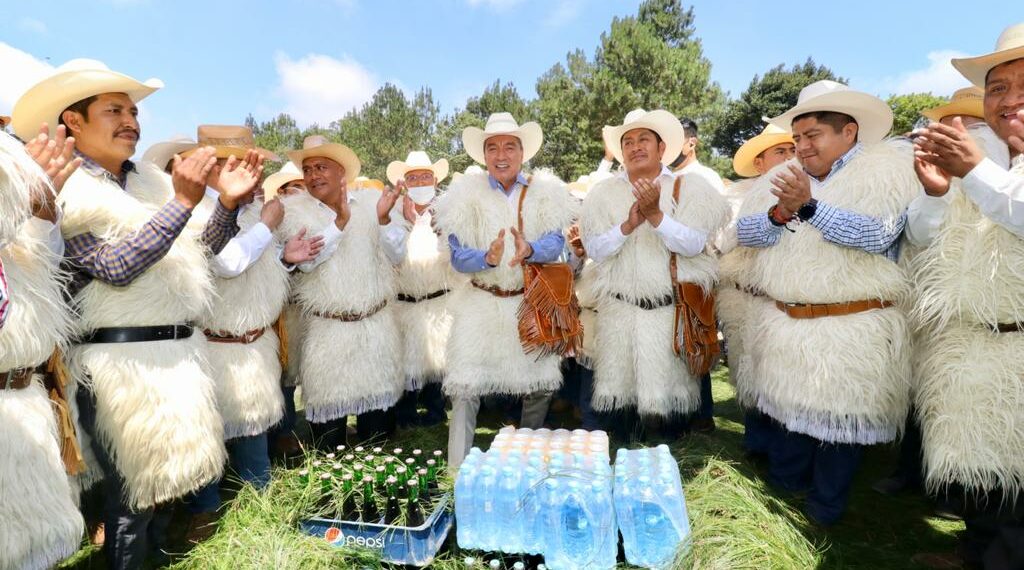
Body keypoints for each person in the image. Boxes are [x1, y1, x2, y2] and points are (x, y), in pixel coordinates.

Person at [13, 58, 260, 569]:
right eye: (114, 110)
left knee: (161, 491)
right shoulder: (60, 190)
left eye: (132, 110)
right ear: (72, 122)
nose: (132, 120)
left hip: (174, 359)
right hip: (117, 367)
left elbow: (200, 252)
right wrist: (185, 202)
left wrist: (228, 207)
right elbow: (114, 267)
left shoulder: (151, 181)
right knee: (129, 503)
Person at [735, 80, 918, 526]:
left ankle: (822, 517)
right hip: (788, 327)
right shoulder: (777, 181)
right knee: (787, 423)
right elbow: (747, 235)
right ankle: (779, 511)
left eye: (812, 135)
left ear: (848, 132)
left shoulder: (886, 173)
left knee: (839, 431)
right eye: (796, 138)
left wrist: (810, 207)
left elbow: (878, 236)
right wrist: (781, 212)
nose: (801, 146)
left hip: (851, 330)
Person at [908, 22, 1024, 567]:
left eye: (1023, 84)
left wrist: (974, 173)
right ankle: (975, 553)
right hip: (972, 345)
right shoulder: (982, 157)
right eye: (997, 88)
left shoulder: (978, 164)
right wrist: (935, 194)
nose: (1008, 100)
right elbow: (924, 240)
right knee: (984, 466)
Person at [184, 125, 321, 541]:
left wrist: (286, 258)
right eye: (234, 164)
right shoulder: (194, 212)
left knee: (253, 426)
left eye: (252, 164)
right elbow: (225, 264)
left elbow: (256, 275)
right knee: (207, 433)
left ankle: (259, 505)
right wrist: (266, 227)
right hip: (212, 345)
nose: (248, 173)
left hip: (255, 343)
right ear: (211, 171)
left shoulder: (255, 214)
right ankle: (204, 511)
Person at [433, 112, 574, 468]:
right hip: (480, 302)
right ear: (483, 155)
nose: (501, 155)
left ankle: (523, 462)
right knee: (464, 389)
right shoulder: (463, 195)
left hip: (529, 301)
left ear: (522, 152)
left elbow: (556, 241)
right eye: (492, 147)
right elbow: (457, 257)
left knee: (539, 385)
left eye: (509, 146)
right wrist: (486, 257)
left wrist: (530, 251)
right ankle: (457, 472)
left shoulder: (546, 193)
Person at [579, 108, 728, 441]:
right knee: (621, 413)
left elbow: (694, 244)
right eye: (627, 141)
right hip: (619, 313)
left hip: (668, 313)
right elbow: (596, 249)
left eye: (643, 139)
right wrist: (629, 225)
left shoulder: (689, 188)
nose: (635, 147)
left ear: (662, 148)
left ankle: (669, 465)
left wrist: (657, 217)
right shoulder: (602, 193)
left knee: (669, 414)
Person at [275, 135, 410, 450]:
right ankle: (332, 492)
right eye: (307, 169)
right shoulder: (294, 212)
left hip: (374, 331)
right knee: (328, 438)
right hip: (327, 333)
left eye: (321, 167)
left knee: (377, 437)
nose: (313, 175)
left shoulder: (370, 204)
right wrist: (338, 224)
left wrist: (385, 219)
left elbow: (397, 255)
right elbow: (306, 265)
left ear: (342, 174)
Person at [0, 124, 85, 570]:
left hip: (26, 401)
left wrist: (44, 209)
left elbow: (42, 264)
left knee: (35, 546)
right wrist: (20, 189)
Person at [716, 123, 795, 457]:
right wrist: (767, 217)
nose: (790, 157)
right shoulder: (736, 196)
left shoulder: (815, 191)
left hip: (781, 299)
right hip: (742, 296)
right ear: (760, 163)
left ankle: (783, 446)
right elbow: (721, 241)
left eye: (793, 150)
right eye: (780, 152)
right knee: (745, 368)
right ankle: (756, 441)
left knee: (780, 372)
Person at [386, 151, 462, 428]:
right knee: (406, 361)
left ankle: (435, 410)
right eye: (413, 177)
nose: (419, 181)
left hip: (440, 300)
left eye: (425, 176)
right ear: (405, 183)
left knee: (438, 359)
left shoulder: (448, 213)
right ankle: (405, 414)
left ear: (435, 179)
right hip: (404, 302)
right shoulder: (392, 214)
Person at [669, 116, 727, 432]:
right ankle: (679, 414)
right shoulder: (665, 178)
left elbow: (714, 232)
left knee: (696, 340)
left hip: (698, 272)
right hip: (670, 275)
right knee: (675, 343)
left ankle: (702, 417)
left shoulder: (706, 178)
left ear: (692, 142)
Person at [261, 161, 309, 459]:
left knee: (300, 369)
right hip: (279, 310)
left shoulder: (316, 216)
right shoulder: (272, 221)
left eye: (301, 187)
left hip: (307, 308)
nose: (296, 192)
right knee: (282, 371)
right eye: (291, 188)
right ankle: (282, 432)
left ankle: (299, 426)